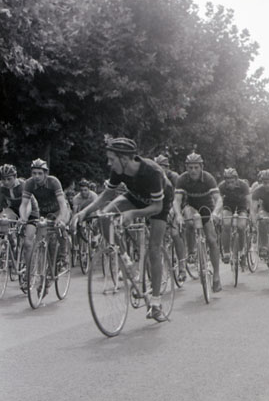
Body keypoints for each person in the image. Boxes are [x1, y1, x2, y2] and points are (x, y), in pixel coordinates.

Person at [74, 137, 174, 321]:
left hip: (159, 203)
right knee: (105, 216)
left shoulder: (152, 172)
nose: (109, 163)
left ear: (125, 159)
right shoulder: (118, 169)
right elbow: (106, 195)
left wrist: (133, 213)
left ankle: (155, 303)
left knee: (154, 248)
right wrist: (85, 212)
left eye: (112, 159)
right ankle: (126, 261)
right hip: (135, 196)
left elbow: (157, 207)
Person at [172, 152, 223, 292]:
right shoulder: (182, 179)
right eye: (190, 167)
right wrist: (178, 215)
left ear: (201, 167)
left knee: (212, 240)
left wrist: (216, 213)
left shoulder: (208, 178)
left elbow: (218, 199)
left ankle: (216, 276)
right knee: (189, 222)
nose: (193, 170)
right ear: (186, 168)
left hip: (206, 207)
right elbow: (177, 201)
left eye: (196, 167)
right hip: (191, 206)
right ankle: (192, 252)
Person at [20, 158, 71, 265]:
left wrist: (60, 218)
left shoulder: (53, 182)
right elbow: (24, 204)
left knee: (60, 227)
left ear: (46, 174)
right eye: (34, 173)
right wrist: (23, 218)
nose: (36, 176)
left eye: (40, 173)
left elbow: (62, 203)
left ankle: (63, 256)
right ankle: (44, 265)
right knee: (41, 239)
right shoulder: (29, 183)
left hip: (59, 210)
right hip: (43, 213)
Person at [155, 154, 187, 282]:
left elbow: (179, 197)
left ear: (167, 168)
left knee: (175, 233)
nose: (159, 170)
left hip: (177, 206)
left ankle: (182, 267)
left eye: (162, 167)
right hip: (162, 208)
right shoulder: (154, 177)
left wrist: (175, 211)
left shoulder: (174, 177)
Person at [0, 163, 38, 259]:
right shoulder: (1, 187)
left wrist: (23, 218)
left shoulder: (23, 185)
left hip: (31, 211)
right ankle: (11, 244)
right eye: (3, 179)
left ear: (15, 176)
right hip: (14, 210)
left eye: (9, 179)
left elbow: (27, 205)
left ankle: (29, 266)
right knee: (3, 219)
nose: (6, 182)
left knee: (27, 243)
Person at [218, 167, 250, 264]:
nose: (230, 184)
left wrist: (250, 212)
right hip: (228, 206)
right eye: (228, 182)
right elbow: (218, 201)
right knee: (226, 224)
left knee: (241, 226)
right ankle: (226, 252)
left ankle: (242, 250)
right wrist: (218, 213)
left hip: (241, 206)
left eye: (232, 182)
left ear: (236, 179)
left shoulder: (243, 185)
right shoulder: (221, 186)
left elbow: (249, 200)